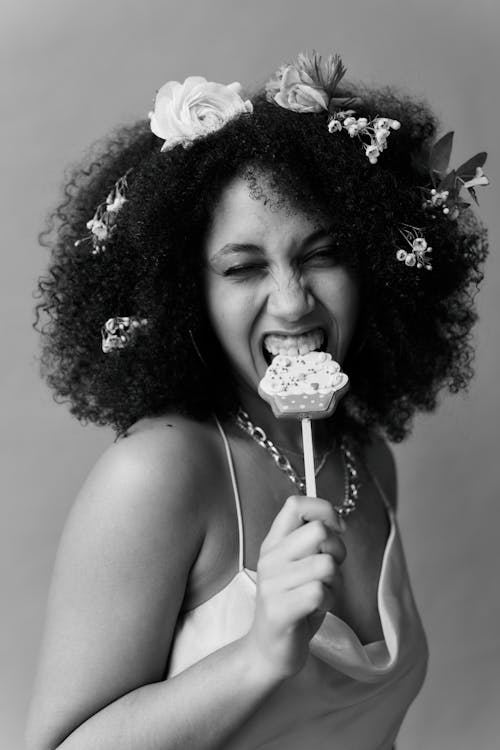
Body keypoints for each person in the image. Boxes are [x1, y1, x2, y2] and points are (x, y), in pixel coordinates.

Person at [26, 52, 488, 750]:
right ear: (188, 293)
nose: (294, 301)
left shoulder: (368, 460)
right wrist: (259, 654)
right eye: (244, 267)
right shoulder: (159, 473)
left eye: (322, 254)